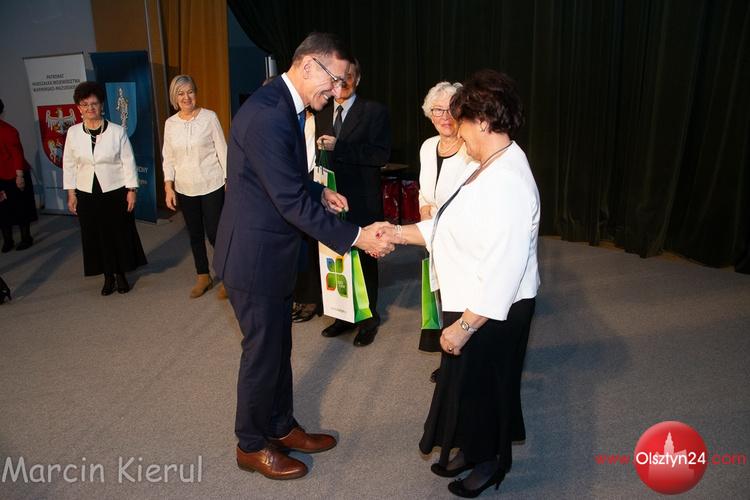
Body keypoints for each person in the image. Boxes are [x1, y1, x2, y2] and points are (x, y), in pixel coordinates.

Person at [212, 33, 395, 480]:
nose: (336, 90)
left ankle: (280, 425)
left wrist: (320, 191)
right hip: (253, 259)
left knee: (279, 347)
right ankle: (250, 444)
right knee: (262, 354)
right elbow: (288, 200)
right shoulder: (268, 114)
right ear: (309, 65)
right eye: (334, 79)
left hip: (273, 253)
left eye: (343, 82)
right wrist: (358, 237)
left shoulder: (286, 105)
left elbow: (284, 178)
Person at [378, 69, 540, 497]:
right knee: (467, 386)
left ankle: (491, 464)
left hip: (491, 310)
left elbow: (505, 269)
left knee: (486, 388)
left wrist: (465, 325)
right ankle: (472, 448)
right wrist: (396, 233)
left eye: (461, 119)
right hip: (472, 297)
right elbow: (450, 223)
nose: (455, 128)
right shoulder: (486, 163)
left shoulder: (507, 181)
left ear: (482, 121)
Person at [315, 57, 391, 346]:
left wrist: (341, 146)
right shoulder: (322, 112)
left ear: (357, 80)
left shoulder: (374, 111)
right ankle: (343, 316)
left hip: (362, 200)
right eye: (337, 77)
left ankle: (369, 319)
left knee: (365, 258)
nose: (342, 82)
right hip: (329, 199)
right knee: (336, 255)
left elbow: (380, 155)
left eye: (349, 77)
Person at [63, 81, 147, 295]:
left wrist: (131, 190)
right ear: (79, 108)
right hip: (86, 191)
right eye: (85, 105)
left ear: (102, 105)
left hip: (115, 189)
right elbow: (69, 163)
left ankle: (120, 274)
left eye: (94, 103)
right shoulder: (73, 133)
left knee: (118, 232)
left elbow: (128, 161)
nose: (90, 108)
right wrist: (71, 193)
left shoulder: (117, 131)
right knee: (95, 234)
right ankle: (107, 276)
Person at [417, 82, 476, 382]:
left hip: (462, 243)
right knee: (443, 300)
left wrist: (436, 214)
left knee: (463, 305)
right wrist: (423, 208)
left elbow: (469, 201)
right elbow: (423, 192)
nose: (444, 116)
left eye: (451, 109)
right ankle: (450, 360)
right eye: (437, 110)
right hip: (434, 238)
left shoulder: (472, 150)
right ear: (429, 114)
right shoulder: (428, 147)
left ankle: (462, 363)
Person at [162, 75, 227, 298]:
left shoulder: (209, 117)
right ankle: (203, 276)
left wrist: (229, 180)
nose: (186, 97)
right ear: (174, 97)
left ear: (195, 93)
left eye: (190, 92)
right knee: (195, 233)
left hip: (212, 183)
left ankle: (227, 275)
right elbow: (168, 158)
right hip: (185, 187)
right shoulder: (170, 124)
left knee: (215, 233)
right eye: (181, 93)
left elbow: (223, 150)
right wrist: (168, 187)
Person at [291, 109, 324, 323]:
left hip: (315, 181)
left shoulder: (319, 118)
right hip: (292, 182)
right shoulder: (287, 117)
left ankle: (312, 298)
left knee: (311, 243)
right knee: (296, 244)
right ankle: (299, 296)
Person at [0, 98, 37, 252]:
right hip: (1, 175)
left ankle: (26, 238)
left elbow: (17, 155)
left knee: (21, 208)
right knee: (2, 210)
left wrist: (19, 177)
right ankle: (8, 240)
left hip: (16, 173)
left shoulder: (8, 131)